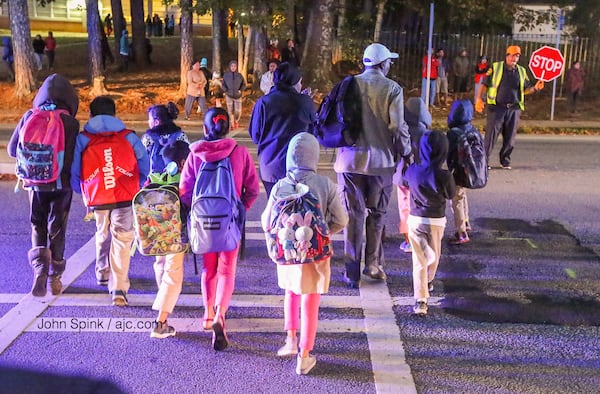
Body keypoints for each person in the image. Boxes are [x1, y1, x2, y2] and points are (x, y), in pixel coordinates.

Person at [262, 132, 348, 375]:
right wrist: (324, 233)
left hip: (288, 251)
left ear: (290, 156)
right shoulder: (325, 184)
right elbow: (342, 219)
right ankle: (305, 354)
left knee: (291, 292)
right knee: (311, 299)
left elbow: (267, 221)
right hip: (315, 252)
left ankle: (290, 340)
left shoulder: (280, 185)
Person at [179, 107, 260, 350]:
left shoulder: (195, 154)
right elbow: (253, 190)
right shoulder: (240, 152)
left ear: (205, 129)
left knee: (209, 268)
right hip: (229, 220)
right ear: (230, 127)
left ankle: (206, 312)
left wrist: (196, 211)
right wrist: (240, 207)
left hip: (203, 221)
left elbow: (184, 191)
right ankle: (220, 315)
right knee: (227, 271)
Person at [335, 43, 411, 288]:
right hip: (381, 163)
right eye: (389, 61)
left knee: (353, 216)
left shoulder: (348, 85)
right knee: (376, 215)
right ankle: (373, 265)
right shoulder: (393, 89)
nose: (390, 65)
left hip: (349, 162)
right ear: (383, 63)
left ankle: (351, 272)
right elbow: (397, 127)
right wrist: (407, 151)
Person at [70, 96, 149, 306]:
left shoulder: (83, 138)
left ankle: (103, 272)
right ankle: (119, 287)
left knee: (102, 231)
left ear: (91, 115)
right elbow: (144, 160)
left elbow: (75, 168)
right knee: (123, 239)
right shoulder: (127, 136)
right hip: (124, 195)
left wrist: (82, 190)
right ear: (115, 114)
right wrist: (137, 183)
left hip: (98, 195)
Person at [7, 74, 80, 297]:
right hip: (61, 184)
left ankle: (39, 267)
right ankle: (55, 277)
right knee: (57, 227)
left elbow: (12, 150)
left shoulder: (29, 115)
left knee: (37, 224)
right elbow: (75, 156)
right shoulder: (70, 122)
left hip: (35, 183)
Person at [402, 130, 456, 316]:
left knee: (418, 260)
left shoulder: (413, 170)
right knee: (433, 257)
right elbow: (451, 194)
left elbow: (404, 181)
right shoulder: (444, 175)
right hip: (436, 220)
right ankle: (427, 284)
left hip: (416, 219)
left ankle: (421, 300)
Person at [248, 62, 316, 196]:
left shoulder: (264, 102)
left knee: (275, 208)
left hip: (270, 165)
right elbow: (313, 133)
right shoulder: (305, 102)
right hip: (299, 166)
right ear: (293, 82)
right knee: (298, 211)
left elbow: (255, 135)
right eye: (299, 82)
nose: (300, 85)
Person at [475, 45, 544, 170]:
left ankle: (505, 161)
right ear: (507, 55)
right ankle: (484, 161)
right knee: (491, 136)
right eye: (512, 55)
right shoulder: (495, 67)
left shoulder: (521, 71)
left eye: (517, 56)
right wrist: (479, 99)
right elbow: (484, 84)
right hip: (497, 108)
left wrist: (535, 88)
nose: (514, 58)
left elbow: (525, 90)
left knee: (510, 137)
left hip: (514, 108)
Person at [148, 139, 190, 339]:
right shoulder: (185, 180)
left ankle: (163, 298)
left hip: (155, 235)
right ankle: (160, 322)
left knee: (163, 267)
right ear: (183, 162)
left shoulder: (155, 177)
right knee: (173, 275)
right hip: (175, 236)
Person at [392, 97, 430, 254]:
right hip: (422, 177)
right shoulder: (427, 134)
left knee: (405, 208)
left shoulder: (402, 131)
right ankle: (423, 237)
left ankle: (409, 240)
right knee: (421, 206)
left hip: (403, 175)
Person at [446, 99, 479, 245]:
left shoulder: (454, 133)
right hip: (470, 170)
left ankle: (461, 233)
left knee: (456, 199)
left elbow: (449, 153)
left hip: (457, 171)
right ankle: (465, 222)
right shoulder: (473, 129)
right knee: (462, 195)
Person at [142, 102, 190, 174]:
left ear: (156, 122)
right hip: (176, 179)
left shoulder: (148, 138)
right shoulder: (180, 135)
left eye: (150, 119)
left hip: (154, 180)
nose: (148, 121)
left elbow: (141, 159)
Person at [222, 60, 246, 130]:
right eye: (232, 66)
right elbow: (223, 84)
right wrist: (226, 90)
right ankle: (231, 124)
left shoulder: (239, 75)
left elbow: (244, 84)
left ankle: (236, 121)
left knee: (238, 111)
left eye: (234, 66)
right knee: (229, 111)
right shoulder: (226, 75)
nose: (233, 67)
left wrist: (240, 90)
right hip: (229, 95)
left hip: (237, 95)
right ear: (230, 66)